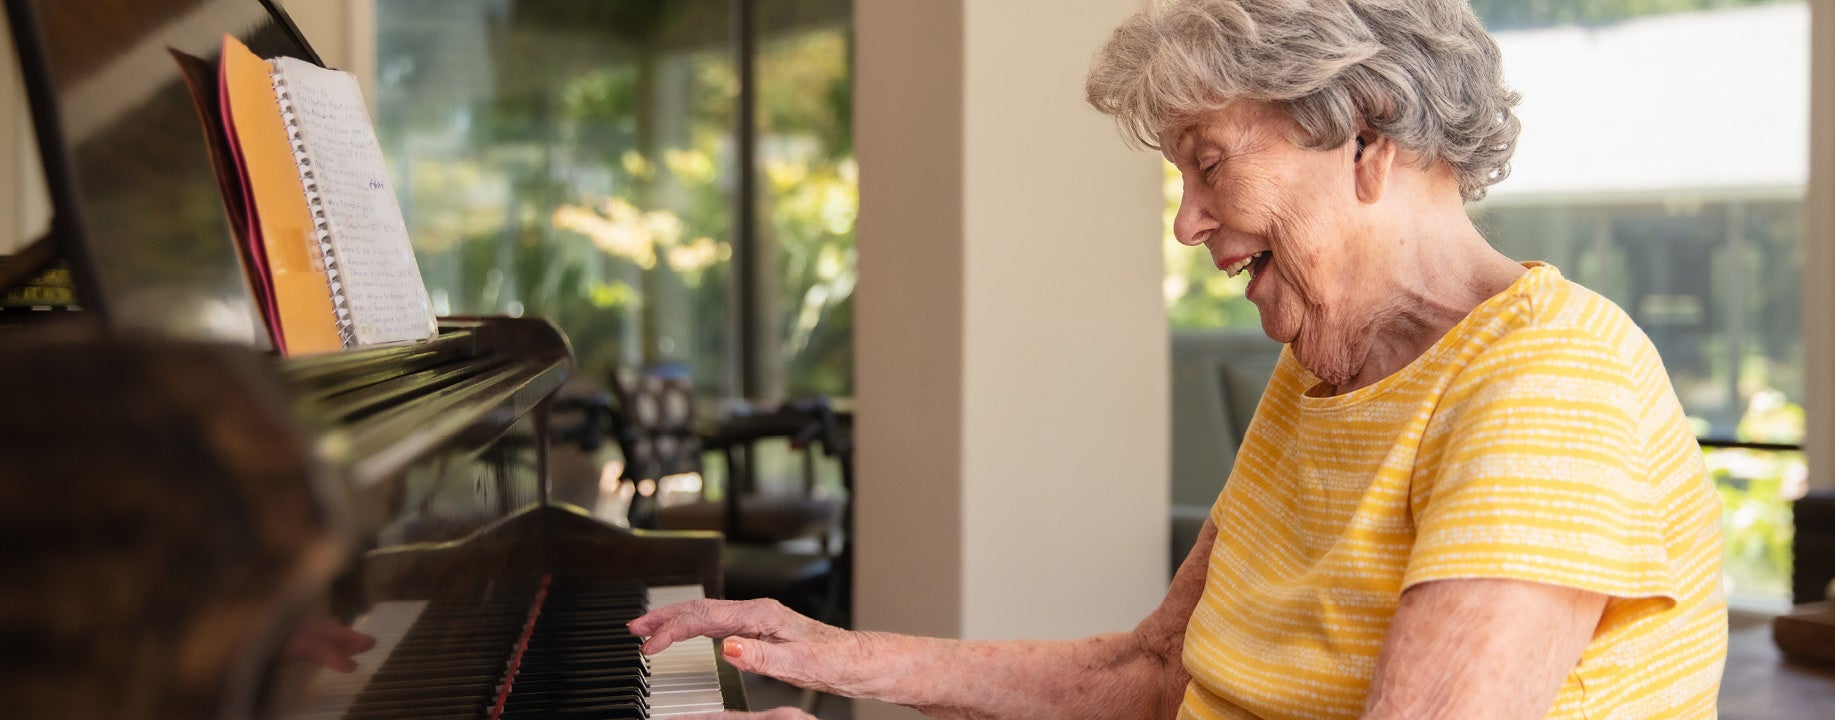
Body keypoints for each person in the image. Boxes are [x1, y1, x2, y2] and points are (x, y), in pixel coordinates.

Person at [627, 0, 1728, 717]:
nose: (1188, 223)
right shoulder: (1322, 374)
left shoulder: (1547, 388)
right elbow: (1157, 671)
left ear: (1368, 134)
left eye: (1209, 165)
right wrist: (829, 656)